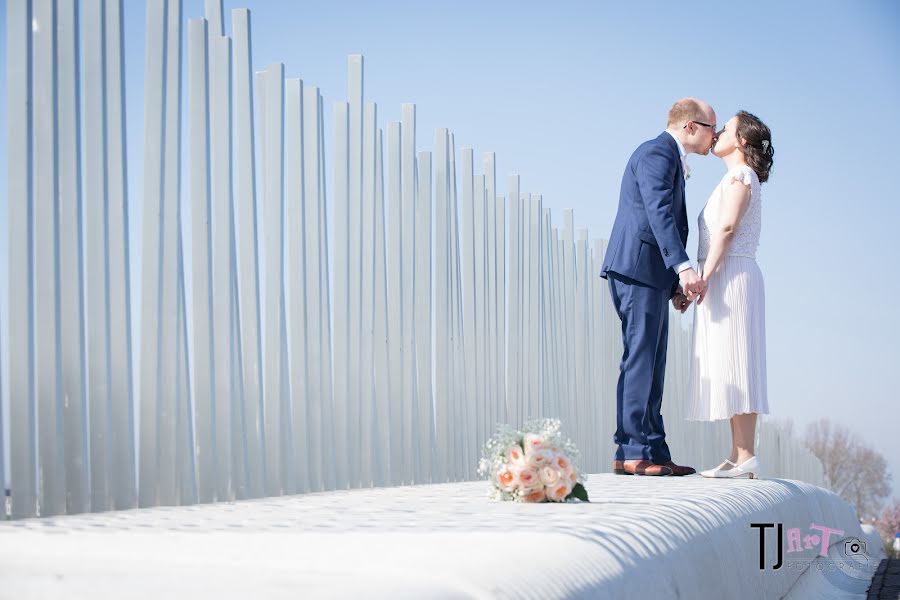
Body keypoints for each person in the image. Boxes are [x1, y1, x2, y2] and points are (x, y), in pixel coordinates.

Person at [600, 98, 716, 476]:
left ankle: (652, 450)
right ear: (690, 127)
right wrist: (683, 269)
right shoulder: (657, 153)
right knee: (640, 357)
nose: (715, 136)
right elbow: (658, 212)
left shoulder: (669, 156)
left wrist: (673, 284)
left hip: (651, 275)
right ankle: (631, 451)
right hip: (636, 271)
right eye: (711, 128)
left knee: (654, 361)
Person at [678, 110, 775, 479]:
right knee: (728, 361)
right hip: (724, 273)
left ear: (743, 141)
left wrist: (704, 276)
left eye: (726, 129)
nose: (716, 132)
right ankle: (737, 455)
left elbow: (728, 228)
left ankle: (747, 453)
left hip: (732, 273)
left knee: (739, 361)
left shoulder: (741, 176)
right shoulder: (734, 177)